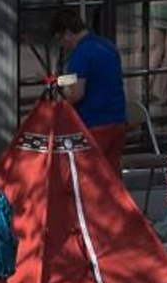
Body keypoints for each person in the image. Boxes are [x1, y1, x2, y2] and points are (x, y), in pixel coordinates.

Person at [51, 9, 128, 169]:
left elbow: (76, 94)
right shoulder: (107, 46)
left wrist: (60, 92)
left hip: (94, 123)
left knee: (90, 175)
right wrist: (59, 80)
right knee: (111, 174)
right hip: (118, 119)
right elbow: (92, 76)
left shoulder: (80, 53)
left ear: (67, 33)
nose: (62, 46)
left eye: (60, 40)